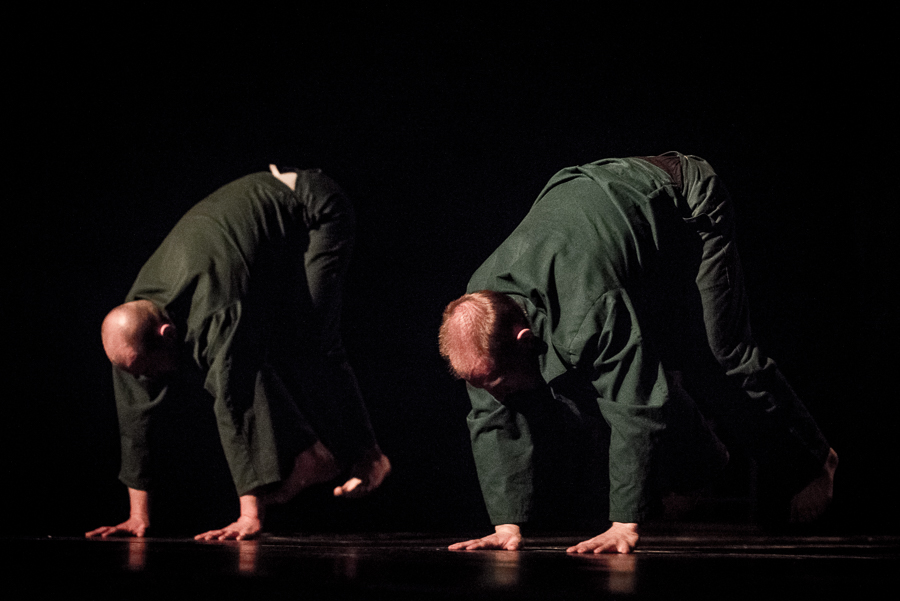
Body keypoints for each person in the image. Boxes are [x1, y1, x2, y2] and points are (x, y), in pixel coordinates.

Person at [439, 152, 837, 554]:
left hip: (684, 201)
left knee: (719, 356)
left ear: (524, 339)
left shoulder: (586, 306)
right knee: (582, 378)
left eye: (497, 382)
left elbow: (635, 402)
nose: (494, 394)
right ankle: (701, 466)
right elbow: (492, 419)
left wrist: (624, 523)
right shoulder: (480, 317)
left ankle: (813, 459)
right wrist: (506, 526)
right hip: (617, 229)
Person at [87, 165, 390, 541]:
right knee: (253, 348)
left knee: (307, 340)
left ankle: (369, 457)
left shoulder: (216, 308)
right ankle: (311, 454)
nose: (150, 379)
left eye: (151, 368)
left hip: (313, 206)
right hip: (258, 234)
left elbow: (235, 399)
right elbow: (134, 415)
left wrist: (250, 515)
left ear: (167, 333)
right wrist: (137, 516)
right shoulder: (132, 322)